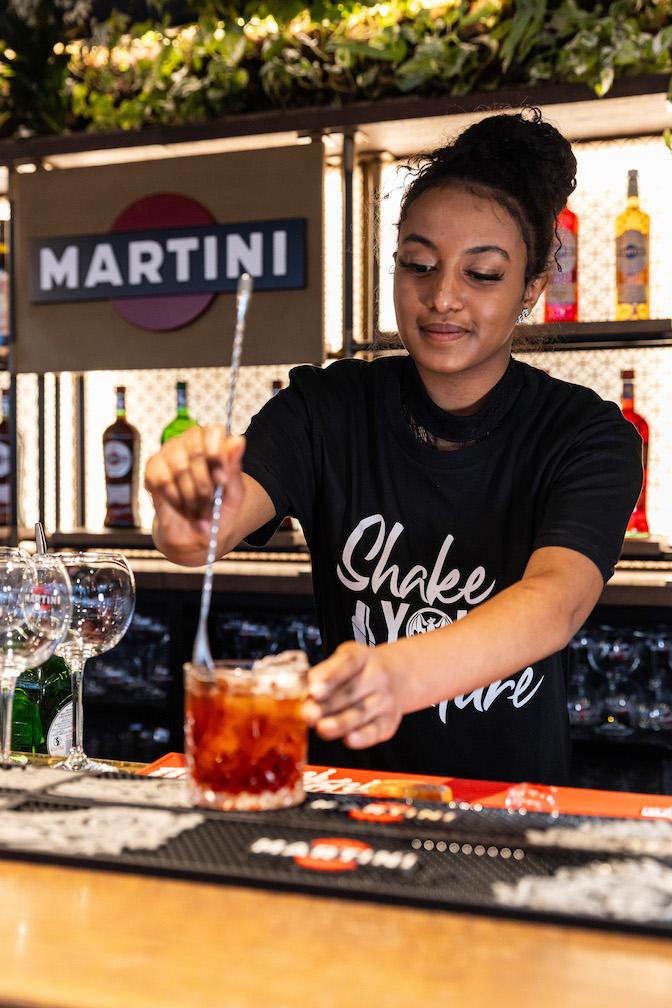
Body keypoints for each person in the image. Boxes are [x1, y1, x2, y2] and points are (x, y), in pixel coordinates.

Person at [145, 107, 642, 785]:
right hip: (346, 802)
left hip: (508, 810)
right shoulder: (328, 409)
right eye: (418, 265)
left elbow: (557, 600)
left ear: (531, 290)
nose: (442, 298)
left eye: (483, 275)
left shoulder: (587, 435)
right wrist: (190, 509)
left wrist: (399, 674)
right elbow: (206, 529)